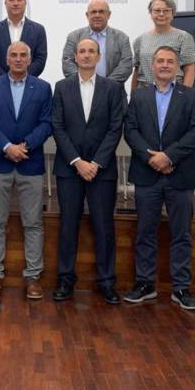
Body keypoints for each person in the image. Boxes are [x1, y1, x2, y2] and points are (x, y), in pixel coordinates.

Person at [123, 46, 195, 311]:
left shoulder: (192, 96)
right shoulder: (138, 96)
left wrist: (168, 157)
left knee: (181, 233)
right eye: (160, 61)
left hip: (180, 174)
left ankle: (181, 287)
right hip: (147, 174)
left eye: (171, 61)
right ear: (152, 65)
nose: (165, 65)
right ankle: (145, 284)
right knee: (145, 232)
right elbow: (131, 131)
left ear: (178, 67)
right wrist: (152, 159)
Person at [52, 39, 126, 304]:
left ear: (98, 56)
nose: (86, 55)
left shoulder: (113, 89)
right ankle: (65, 279)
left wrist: (95, 163)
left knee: (104, 227)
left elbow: (115, 127)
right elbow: (57, 126)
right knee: (68, 225)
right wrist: (77, 161)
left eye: (91, 51)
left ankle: (106, 282)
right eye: (81, 51)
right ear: (75, 56)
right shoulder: (61, 88)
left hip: (101, 171)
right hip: (69, 169)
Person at [0, 41, 52, 299]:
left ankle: (33, 277)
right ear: (6, 59)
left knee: (33, 223)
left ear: (30, 60)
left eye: (23, 55)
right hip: (0, 162)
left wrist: (25, 146)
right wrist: (7, 147)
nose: (19, 59)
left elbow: (46, 123)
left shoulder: (43, 88)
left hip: (30, 164)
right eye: (14, 55)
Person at [130, 0, 195, 90]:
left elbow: (189, 69)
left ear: (173, 13)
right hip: (144, 93)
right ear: (150, 13)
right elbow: (137, 70)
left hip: (173, 93)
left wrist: (184, 96)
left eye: (166, 11)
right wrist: (133, 96)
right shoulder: (140, 40)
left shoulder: (183, 37)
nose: (161, 14)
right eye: (157, 10)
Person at [61, 0, 132, 84]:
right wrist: (85, 83)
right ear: (87, 15)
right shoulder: (73, 37)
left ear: (109, 15)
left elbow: (126, 65)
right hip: (80, 91)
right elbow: (67, 62)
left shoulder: (122, 38)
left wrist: (105, 86)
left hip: (113, 93)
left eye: (101, 11)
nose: (97, 15)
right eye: (93, 12)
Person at [0, 0, 47, 78]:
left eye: (19, 0)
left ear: (25, 3)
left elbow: (40, 59)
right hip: (0, 86)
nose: (15, 3)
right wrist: (5, 80)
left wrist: (24, 78)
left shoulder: (38, 30)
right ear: (5, 4)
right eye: (12, 0)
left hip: (29, 85)